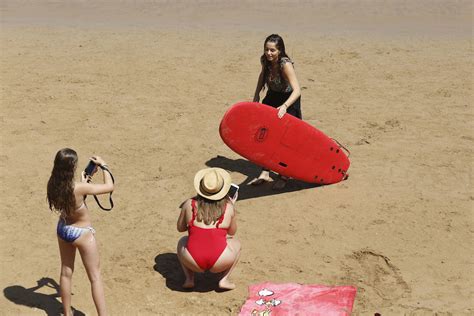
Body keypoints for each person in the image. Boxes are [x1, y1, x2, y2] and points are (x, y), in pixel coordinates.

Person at [47, 148, 114, 316]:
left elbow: (72, 197)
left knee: (66, 272)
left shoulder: (53, 185)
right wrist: (104, 166)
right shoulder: (79, 188)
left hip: (63, 229)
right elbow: (109, 186)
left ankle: (67, 313)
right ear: (71, 167)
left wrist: (85, 183)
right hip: (82, 233)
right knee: (95, 277)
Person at [250, 34, 302, 190]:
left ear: (280, 50)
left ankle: (284, 174)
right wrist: (257, 93)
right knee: (267, 133)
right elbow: (262, 75)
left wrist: (285, 106)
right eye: (267, 49)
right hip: (272, 96)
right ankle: (265, 171)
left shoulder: (285, 64)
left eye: (272, 50)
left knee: (285, 138)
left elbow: (297, 90)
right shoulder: (265, 60)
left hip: (288, 99)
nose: (269, 53)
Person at [176, 168, 241, 290]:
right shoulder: (228, 207)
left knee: (182, 241)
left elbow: (180, 228)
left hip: (192, 261)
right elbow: (232, 232)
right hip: (221, 261)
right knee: (236, 244)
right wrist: (232, 205)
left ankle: (189, 279)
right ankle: (224, 280)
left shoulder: (189, 204)